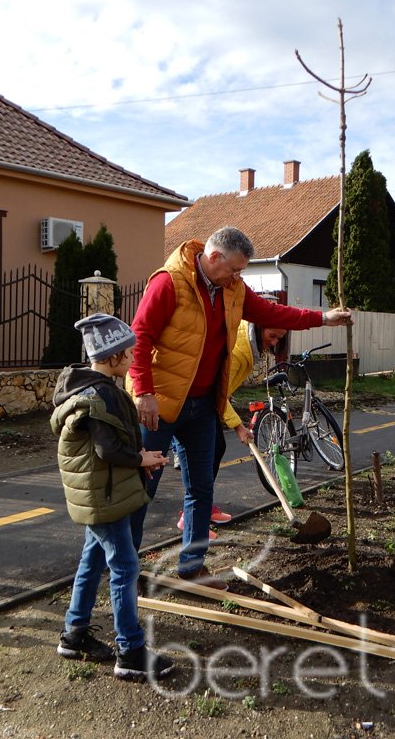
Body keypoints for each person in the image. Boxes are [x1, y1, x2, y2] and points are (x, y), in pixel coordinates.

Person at [127, 226, 351, 590]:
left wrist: (323, 318)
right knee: (140, 490)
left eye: (241, 271)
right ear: (213, 257)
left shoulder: (233, 290)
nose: (239, 277)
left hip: (202, 405)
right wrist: (143, 392)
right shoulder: (169, 283)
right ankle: (126, 570)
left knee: (201, 489)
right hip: (160, 403)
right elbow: (139, 336)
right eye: (235, 269)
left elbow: (275, 312)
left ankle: (193, 568)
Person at [50, 313, 174, 680]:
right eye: (130, 353)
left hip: (101, 492)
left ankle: (74, 634)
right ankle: (131, 650)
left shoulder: (89, 389)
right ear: (113, 357)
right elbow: (107, 450)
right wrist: (141, 459)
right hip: (105, 495)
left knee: (92, 560)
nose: (135, 359)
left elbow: (108, 449)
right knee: (124, 567)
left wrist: (139, 461)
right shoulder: (99, 397)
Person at [171, 321, 289, 536]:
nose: (274, 343)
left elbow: (221, 385)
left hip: (205, 399)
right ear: (260, 327)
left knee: (216, 449)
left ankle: (202, 511)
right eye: (272, 336)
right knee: (201, 456)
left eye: (279, 339)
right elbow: (217, 394)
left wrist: (226, 391)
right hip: (186, 400)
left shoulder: (250, 345)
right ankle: (191, 518)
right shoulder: (238, 350)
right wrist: (239, 427)